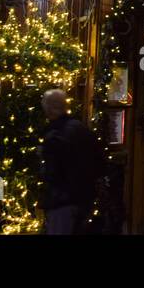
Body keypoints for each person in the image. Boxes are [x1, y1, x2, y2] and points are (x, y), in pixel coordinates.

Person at [39, 89, 105, 235]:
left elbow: (52, 172)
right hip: (84, 197)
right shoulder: (81, 129)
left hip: (62, 200)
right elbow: (100, 162)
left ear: (48, 109)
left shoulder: (55, 135)